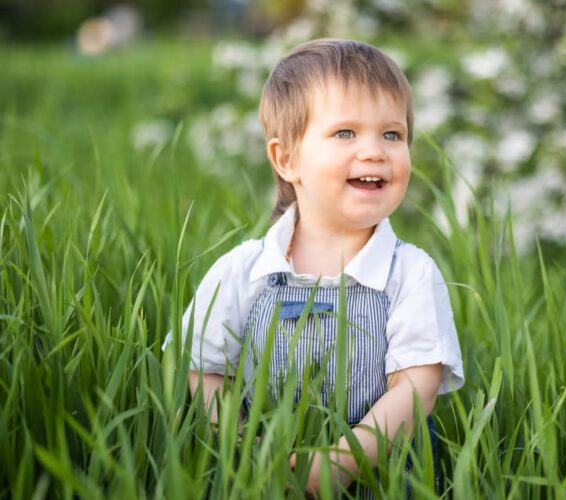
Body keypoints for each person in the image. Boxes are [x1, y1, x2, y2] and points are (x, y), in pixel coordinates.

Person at [166, 38, 464, 495]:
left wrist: (340, 462)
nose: (374, 151)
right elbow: (202, 367)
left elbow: (415, 387)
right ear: (286, 159)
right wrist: (248, 449)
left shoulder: (411, 274)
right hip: (262, 474)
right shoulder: (245, 271)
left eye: (393, 134)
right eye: (346, 133)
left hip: (379, 476)